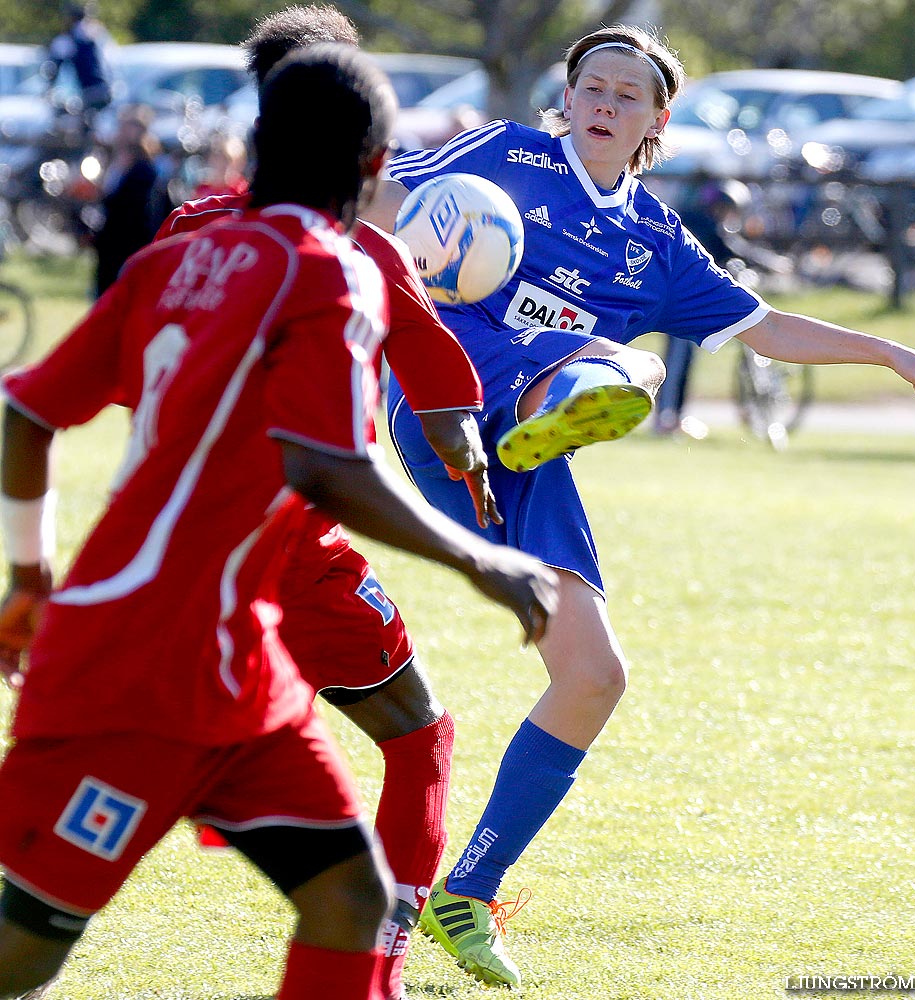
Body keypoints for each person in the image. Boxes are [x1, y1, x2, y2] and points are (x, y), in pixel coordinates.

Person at [363, 23, 915, 988]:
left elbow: (763, 327)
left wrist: (888, 352)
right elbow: (383, 189)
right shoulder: (503, 155)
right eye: (590, 88)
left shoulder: (651, 241)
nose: (602, 106)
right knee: (628, 364)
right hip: (444, 406)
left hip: (526, 464)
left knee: (595, 675)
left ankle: (466, 892)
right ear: (568, 96)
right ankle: (560, 395)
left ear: (655, 120)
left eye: (624, 96)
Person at [0, 42, 557, 1000]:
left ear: (256, 144)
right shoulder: (332, 272)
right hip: (137, 669)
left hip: (238, 668)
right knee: (25, 955)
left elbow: (26, 413)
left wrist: (29, 576)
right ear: (376, 167)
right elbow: (326, 466)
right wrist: (480, 561)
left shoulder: (173, 256)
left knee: (348, 899)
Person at [153, 9, 513, 998]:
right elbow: (443, 418)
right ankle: (378, 962)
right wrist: (476, 494)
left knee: (119, 785)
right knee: (419, 736)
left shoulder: (183, 232)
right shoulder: (361, 254)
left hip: (164, 557)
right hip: (293, 554)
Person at [92, 103, 171, 297]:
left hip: (130, 247)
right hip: (109, 248)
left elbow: (143, 213)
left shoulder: (145, 169)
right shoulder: (113, 160)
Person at [43, 3, 113, 121]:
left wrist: (49, 88)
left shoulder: (69, 38)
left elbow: (53, 67)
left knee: (79, 124)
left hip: (90, 90)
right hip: (106, 89)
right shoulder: (96, 32)